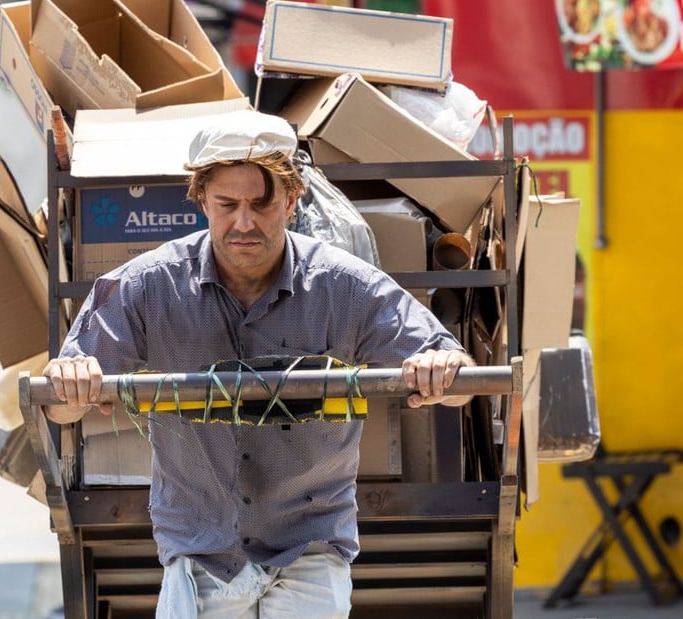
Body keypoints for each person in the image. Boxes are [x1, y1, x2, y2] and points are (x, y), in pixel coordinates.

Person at [42, 110, 475, 618]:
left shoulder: (345, 286)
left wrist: (442, 369)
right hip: (201, 556)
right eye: (227, 204)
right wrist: (69, 381)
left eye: (261, 205)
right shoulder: (146, 287)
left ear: (292, 201)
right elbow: (60, 407)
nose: (243, 222)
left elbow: (460, 380)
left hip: (308, 550)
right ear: (201, 199)